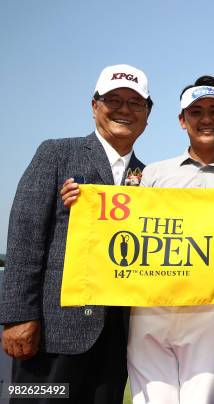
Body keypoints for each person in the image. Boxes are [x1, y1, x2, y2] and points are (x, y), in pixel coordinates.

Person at [0, 64, 152, 403]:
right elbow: (25, 235)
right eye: (113, 100)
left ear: (147, 113)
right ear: (94, 105)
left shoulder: (150, 177)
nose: (124, 110)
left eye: (135, 102)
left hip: (115, 339)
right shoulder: (56, 152)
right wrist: (17, 316)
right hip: (51, 332)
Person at [124, 75, 214, 404]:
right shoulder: (153, 174)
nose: (206, 119)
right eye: (196, 110)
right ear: (181, 119)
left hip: (209, 309)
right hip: (150, 306)